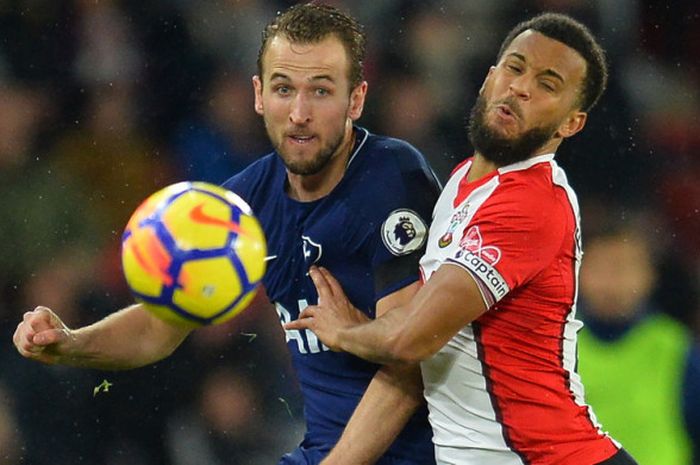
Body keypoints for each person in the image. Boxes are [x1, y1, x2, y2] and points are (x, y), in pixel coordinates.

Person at [12, 3, 440, 465]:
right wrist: (71, 343)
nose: (298, 113)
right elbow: (162, 324)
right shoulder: (242, 204)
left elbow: (408, 365)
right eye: (283, 89)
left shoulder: (392, 178)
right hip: (321, 453)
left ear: (356, 99)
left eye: (320, 91)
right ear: (258, 94)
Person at [286, 12, 639, 465]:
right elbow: (413, 358)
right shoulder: (460, 183)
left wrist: (345, 332)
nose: (521, 87)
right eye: (514, 67)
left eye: (547, 84)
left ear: (571, 124)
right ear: (489, 79)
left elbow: (411, 341)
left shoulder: (531, 203)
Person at [576, 215, 700, 465]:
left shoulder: (678, 348)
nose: (612, 282)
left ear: (650, 275)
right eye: (601, 268)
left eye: (624, 267)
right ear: (578, 272)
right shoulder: (555, 345)